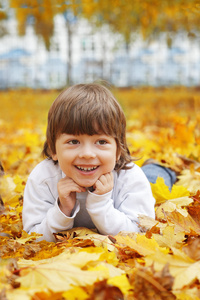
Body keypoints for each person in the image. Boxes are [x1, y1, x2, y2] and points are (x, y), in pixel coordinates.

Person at [22, 83, 172, 242]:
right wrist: (62, 209)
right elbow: (33, 238)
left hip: (136, 179)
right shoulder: (43, 178)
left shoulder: (131, 178)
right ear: (53, 149)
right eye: (73, 142)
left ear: (118, 150)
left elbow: (140, 236)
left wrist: (101, 206)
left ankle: (157, 167)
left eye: (101, 141)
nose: (87, 154)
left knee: (154, 179)